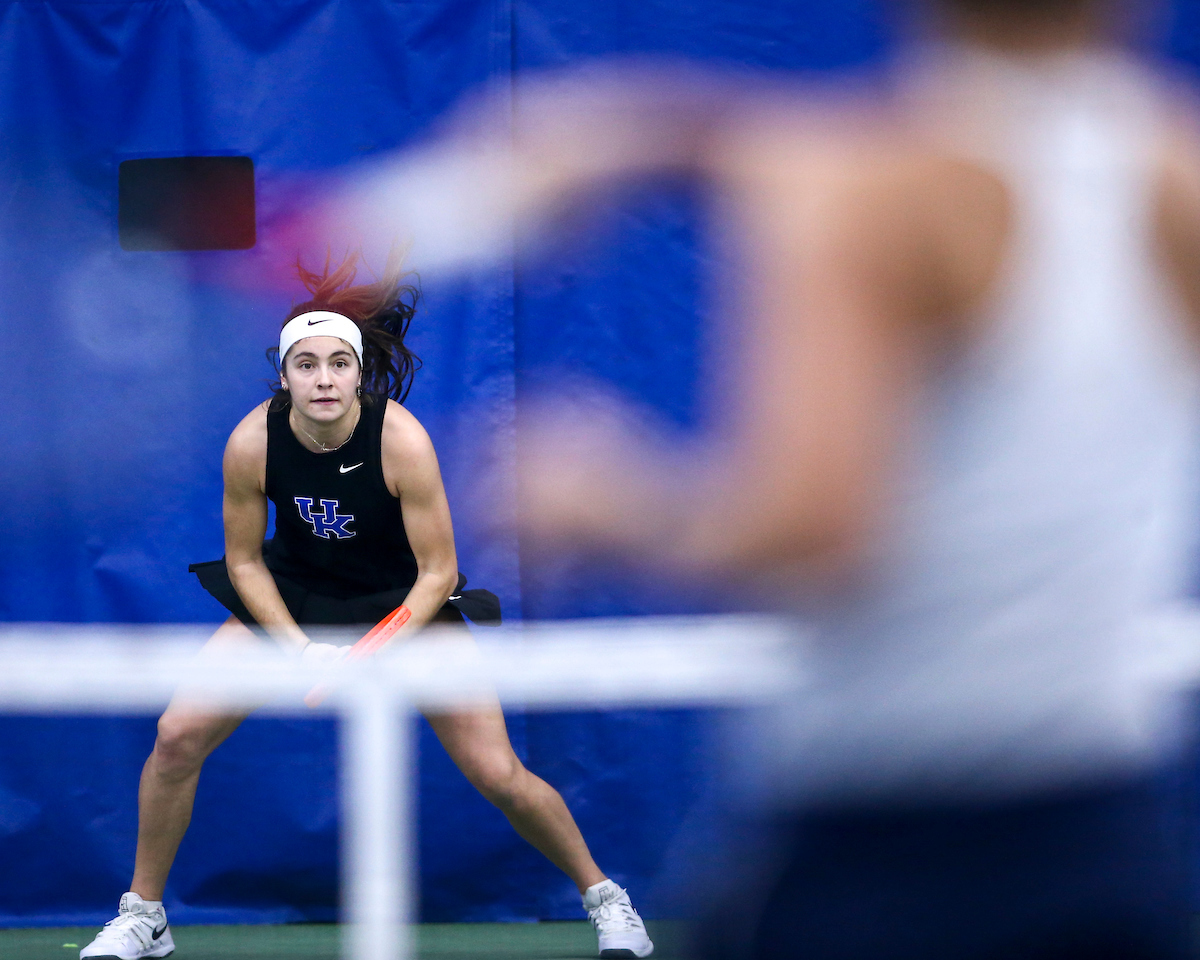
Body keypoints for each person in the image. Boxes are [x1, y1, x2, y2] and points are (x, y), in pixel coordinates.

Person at [330, 0, 1200, 956]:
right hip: (1109, 836)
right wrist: (645, 138)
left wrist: (610, 499)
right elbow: (909, 154)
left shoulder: (866, 197)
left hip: (883, 864)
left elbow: (815, 527)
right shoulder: (1172, 171)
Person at [80, 254, 653, 960]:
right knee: (176, 735)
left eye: (338, 364)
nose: (323, 379)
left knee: (498, 773)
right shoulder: (252, 442)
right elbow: (245, 562)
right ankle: (144, 916)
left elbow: (438, 571)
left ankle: (607, 900)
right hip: (294, 592)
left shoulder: (402, 441)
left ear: (358, 374)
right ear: (284, 375)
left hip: (405, 602)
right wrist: (299, 650)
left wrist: (368, 652)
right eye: (307, 365)